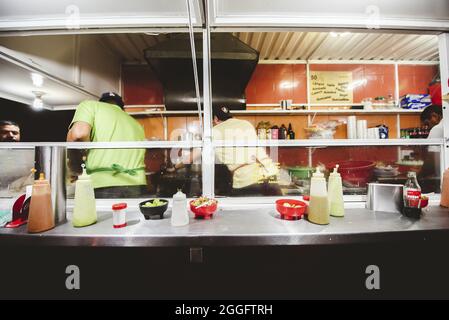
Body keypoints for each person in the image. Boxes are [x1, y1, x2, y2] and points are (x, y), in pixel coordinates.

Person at [67, 92, 147, 198]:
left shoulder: (91, 106)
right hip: (136, 183)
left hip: (103, 183)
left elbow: (78, 134)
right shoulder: (136, 124)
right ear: (121, 108)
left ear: (102, 103)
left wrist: (76, 167)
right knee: (131, 215)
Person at [212, 106, 281, 196]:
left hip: (243, 181)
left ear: (215, 118)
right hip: (266, 175)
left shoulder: (214, 131)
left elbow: (197, 154)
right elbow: (258, 150)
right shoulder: (246, 124)